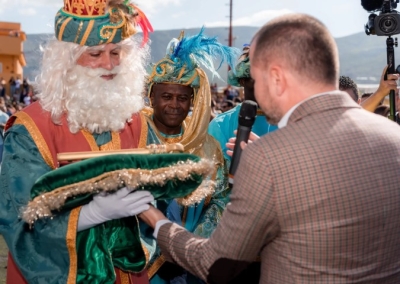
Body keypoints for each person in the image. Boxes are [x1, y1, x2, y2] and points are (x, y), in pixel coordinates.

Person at [139, 13, 400, 283]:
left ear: (276, 78)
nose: (254, 95)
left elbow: (216, 265)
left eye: (257, 79)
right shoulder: (394, 136)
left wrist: (157, 221)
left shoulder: (270, 157)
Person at [0, 0, 155, 283]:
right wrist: (90, 214)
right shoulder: (30, 130)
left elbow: (162, 194)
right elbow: (19, 216)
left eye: (116, 52)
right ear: (66, 61)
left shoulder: (139, 122)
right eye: (95, 53)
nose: (108, 65)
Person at [140, 28, 238, 284]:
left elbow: (219, 200)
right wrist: (158, 253)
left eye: (183, 98)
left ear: (192, 101)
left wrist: (188, 247)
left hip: (191, 263)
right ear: (152, 97)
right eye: (167, 96)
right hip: (139, 264)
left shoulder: (207, 147)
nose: (175, 104)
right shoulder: (134, 138)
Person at [208, 44, 278, 162]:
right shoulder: (221, 126)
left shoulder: (293, 123)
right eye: (255, 78)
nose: (265, 85)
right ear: (242, 80)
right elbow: (212, 177)